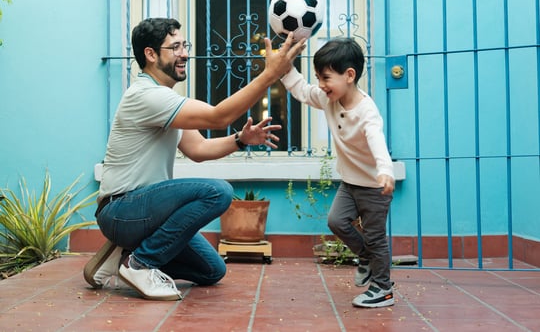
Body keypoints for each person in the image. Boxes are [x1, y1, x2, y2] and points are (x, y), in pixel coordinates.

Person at [84, 17, 306, 300]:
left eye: (184, 45)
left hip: (142, 215)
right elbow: (218, 116)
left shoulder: (164, 101)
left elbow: (199, 149)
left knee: (212, 270)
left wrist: (240, 139)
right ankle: (140, 264)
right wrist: (269, 75)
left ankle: (122, 256)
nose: (185, 53)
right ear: (150, 55)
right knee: (218, 191)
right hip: (122, 210)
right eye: (175, 47)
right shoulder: (146, 96)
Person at [280, 37, 395, 308]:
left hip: (374, 186)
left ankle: (383, 288)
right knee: (336, 222)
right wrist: (284, 68)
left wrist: (386, 171)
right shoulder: (329, 99)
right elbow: (302, 91)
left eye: (326, 78)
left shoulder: (367, 111)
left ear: (349, 75)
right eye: (318, 77)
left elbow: (377, 141)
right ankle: (365, 257)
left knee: (376, 237)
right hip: (350, 183)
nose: (320, 84)